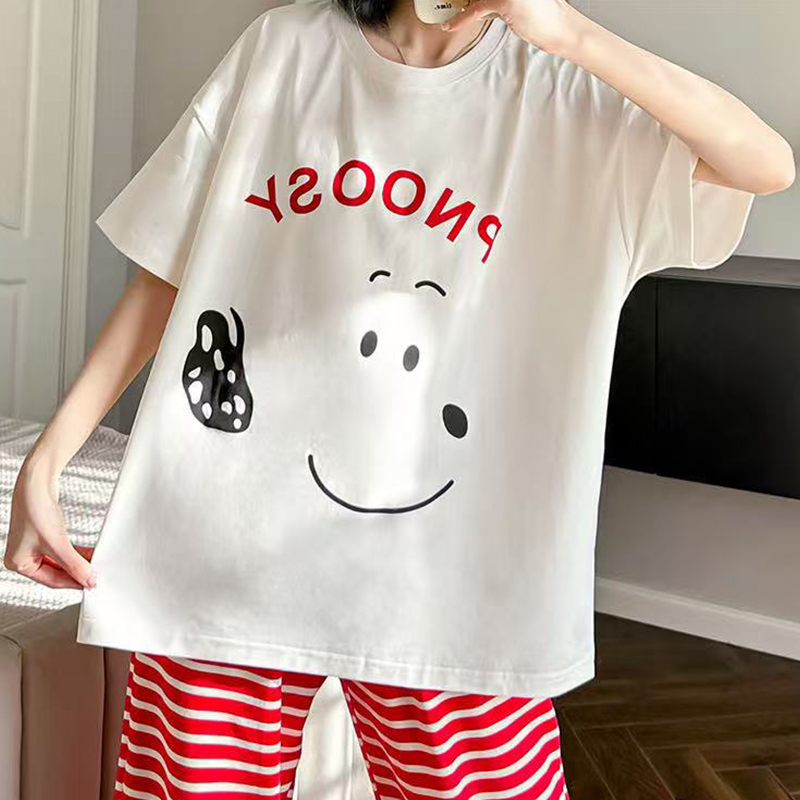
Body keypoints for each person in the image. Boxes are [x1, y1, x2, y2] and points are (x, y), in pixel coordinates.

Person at [4, 0, 793, 797]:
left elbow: (764, 164)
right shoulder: (284, 49)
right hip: (223, 538)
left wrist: (569, 32)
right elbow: (169, 274)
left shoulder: (562, 90)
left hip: (451, 568)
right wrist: (47, 462)